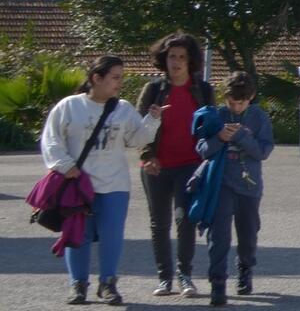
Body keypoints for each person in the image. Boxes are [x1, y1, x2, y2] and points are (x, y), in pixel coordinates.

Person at [42, 55, 159, 306]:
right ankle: (78, 285)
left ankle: (108, 284)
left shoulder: (123, 108)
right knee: (78, 235)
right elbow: (51, 140)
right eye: (115, 77)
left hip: (114, 185)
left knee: (112, 235)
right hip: (78, 184)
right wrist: (66, 166)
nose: (120, 83)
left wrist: (153, 119)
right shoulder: (69, 106)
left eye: (121, 77)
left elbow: (137, 139)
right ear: (97, 78)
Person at [136, 32, 212, 298]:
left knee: (185, 220)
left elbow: (210, 127)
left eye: (182, 57)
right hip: (156, 166)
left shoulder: (202, 90)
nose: (176, 62)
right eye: (172, 57)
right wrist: (148, 155)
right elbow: (139, 129)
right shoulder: (154, 90)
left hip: (190, 165)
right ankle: (164, 278)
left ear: (191, 61)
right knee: (159, 223)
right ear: (164, 59)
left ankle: (185, 276)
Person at [190, 72, 272, 307]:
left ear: (251, 98)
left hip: (249, 186)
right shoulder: (217, 115)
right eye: (231, 102)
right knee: (219, 236)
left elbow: (263, 152)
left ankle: (245, 268)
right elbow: (203, 149)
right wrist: (219, 138)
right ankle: (218, 283)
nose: (235, 108)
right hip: (221, 185)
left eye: (241, 103)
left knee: (248, 234)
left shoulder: (259, 117)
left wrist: (243, 138)